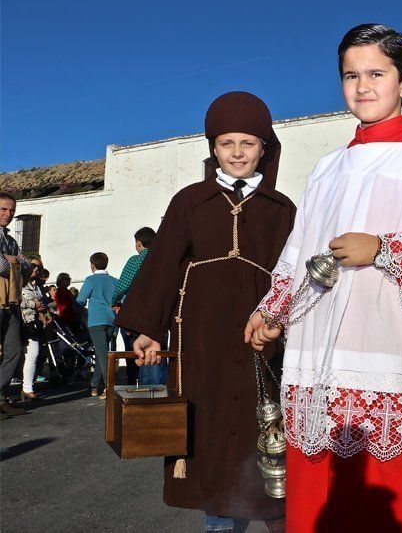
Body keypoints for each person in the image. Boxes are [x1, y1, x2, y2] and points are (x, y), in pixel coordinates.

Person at [244, 24, 402, 533]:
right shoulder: (327, 168)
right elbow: (297, 251)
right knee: (318, 501)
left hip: (390, 352)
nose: (362, 86)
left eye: (377, 73)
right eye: (350, 75)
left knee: (381, 500)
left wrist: (383, 249)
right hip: (319, 356)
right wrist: (272, 309)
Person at [115, 91, 296, 531]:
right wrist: (147, 329)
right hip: (203, 336)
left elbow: (295, 276)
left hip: (265, 338)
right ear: (213, 147)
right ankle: (221, 523)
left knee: (269, 429)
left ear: (264, 148)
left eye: (248, 143)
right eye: (227, 143)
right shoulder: (190, 201)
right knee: (211, 432)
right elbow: (161, 265)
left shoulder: (282, 210)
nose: (237, 152)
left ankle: (282, 515)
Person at [112, 227, 160, 385]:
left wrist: (114, 301)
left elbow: (122, 286)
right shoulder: (162, 260)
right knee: (158, 351)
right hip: (159, 311)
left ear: (139, 243)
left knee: (138, 350)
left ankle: (141, 386)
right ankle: (160, 388)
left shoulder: (136, 260)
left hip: (137, 312)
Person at [1, 192, 34, 417]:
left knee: (14, 350)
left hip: (12, 300)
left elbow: (28, 269)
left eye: (12, 210)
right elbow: (4, 266)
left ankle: (1, 397)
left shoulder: (11, 240)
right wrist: (10, 260)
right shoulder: (10, 244)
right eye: (3, 209)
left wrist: (12, 261)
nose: (8, 214)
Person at [76, 252, 118, 399]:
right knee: (103, 353)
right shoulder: (114, 280)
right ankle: (95, 385)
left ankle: (109, 387)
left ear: (92, 265)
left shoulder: (90, 280)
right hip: (112, 321)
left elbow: (80, 300)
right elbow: (121, 299)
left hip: (96, 321)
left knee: (102, 354)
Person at [20, 258, 48, 400]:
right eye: (34, 266)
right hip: (17, 322)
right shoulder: (19, 281)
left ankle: (27, 388)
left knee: (32, 355)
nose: (36, 269)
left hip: (32, 324)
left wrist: (43, 314)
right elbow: (15, 299)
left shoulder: (37, 286)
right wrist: (33, 305)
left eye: (39, 268)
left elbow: (41, 304)